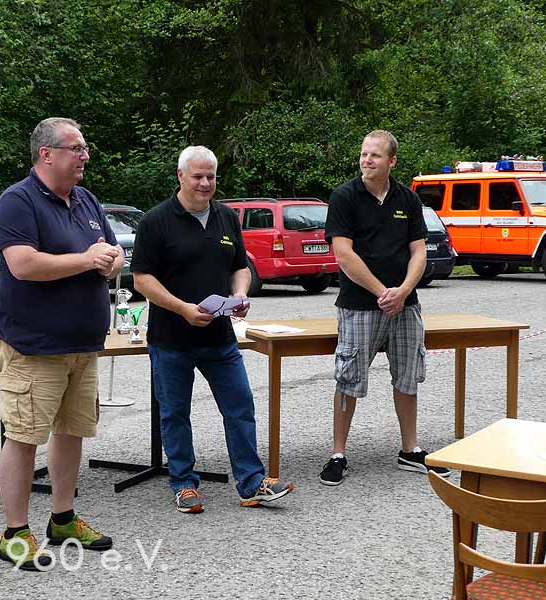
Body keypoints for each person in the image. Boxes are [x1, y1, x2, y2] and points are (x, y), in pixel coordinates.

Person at [0, 117, 124, 570]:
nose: (85, 156)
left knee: (71, 432)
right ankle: (14, 534)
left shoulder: (86, 199)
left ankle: (63, 518)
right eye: (76, 148)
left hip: (82, 346)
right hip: (34, 347)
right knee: (23, 437)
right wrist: (87, 259)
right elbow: (23, 264)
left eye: (85, 148)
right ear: (46, 154)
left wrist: (111, 259)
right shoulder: (18, 200)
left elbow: (112, 251)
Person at [130, 145, 293, 513]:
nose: (205, 183)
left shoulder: (226, 217)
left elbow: (240, 266)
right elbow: (142, 279)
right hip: (171, 339)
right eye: (198, 176)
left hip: (220, 338)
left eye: (211, 177)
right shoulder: (156, 220)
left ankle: (251, 482)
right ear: (180, 176)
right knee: (175, 413)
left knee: (240, 407)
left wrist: (240, 293)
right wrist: (182, 309)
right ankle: (184, 484)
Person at [320, 130, 451, 486]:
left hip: (405, 306)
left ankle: (410, 450)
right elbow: (343, 254)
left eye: (375, 155)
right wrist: (383, 293)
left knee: (408, 376)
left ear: (392, 161)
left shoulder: (408, 200)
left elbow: (419, 252)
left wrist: (404, 291)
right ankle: (338, 454)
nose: (367, 160)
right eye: (364, 154)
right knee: (348, 378)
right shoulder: (344, 197)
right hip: (360, 306)